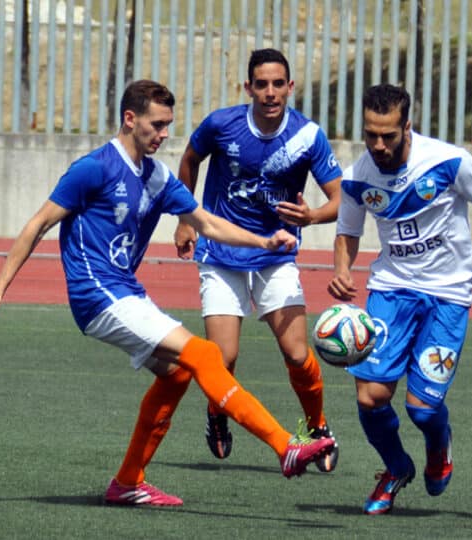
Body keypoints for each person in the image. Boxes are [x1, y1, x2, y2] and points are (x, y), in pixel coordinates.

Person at [0, 80, 334, 507]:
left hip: (126, 292)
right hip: (98, 295)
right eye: (157, 125)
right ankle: (284, 446)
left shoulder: (156, 175)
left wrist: (265, 242)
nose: (164, 135)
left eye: (168, 126)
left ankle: (127, 481)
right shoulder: (95, 168)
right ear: (130, 119)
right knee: (205, 355)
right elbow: (38, 223)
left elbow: (206, 222)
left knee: (178, 372)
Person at [327, 83, 472, 515]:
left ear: (407, 127)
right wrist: (342, 269)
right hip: (391, 291)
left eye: (388, 135)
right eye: (370, 134)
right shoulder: (358, 176)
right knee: (370, 397)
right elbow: (348, 231)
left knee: (422, 409)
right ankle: (395, 468)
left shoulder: (448, 161)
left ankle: (439, 444)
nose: (378, 144)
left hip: (447, 297)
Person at [173, 48, 343, 472]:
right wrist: (185, 219)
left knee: (296, 352)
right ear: (247, 87)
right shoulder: (221, 124)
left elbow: (340, 199)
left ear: (290, 86)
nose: (270, 93)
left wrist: (313, 215)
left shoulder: (307, 136)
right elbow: (190, 159)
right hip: (221, 253)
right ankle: (217, 412)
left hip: (277, 255)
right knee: (222, 360)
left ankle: (317, 428)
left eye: (278, 84)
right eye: (261, 84)